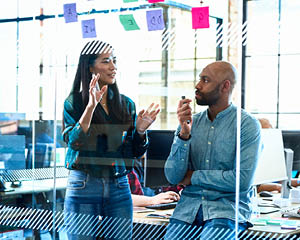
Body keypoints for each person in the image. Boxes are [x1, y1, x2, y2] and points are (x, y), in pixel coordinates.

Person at [62, 40, 160, 240]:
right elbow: (75, 142)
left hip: (118, 184)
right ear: (90, 67)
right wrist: (90, 107)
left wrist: (141, 131)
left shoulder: (126, 104)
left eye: (114, 60)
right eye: (106, 61)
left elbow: (134, 153)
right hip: (84, 183)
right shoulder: (74, 103)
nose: (113, 67)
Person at [164, 61, 262, 239]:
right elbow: (173, 176)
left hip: (225, 211)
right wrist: (183, 136)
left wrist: (193, 176)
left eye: (205, 80)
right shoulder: (189, 123)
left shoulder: (246, 125)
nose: (197, 85)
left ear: (225, 86)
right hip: (187, 210)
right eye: (199, 79)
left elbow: (241, 180)